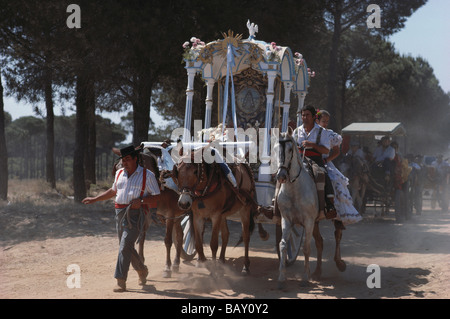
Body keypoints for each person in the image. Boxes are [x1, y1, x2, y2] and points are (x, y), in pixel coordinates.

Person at [82, 145, 161, 292]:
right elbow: (113, 191)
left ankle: (120, 280)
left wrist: (142, 201)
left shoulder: (147, 175)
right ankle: (142, 270)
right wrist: (95, 199)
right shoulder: (119, 173)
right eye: (123, 160)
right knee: (126, 246)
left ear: (135, 159)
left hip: (136, 215)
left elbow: (156, 196)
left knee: (124, 245)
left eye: (127, 159)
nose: (124, 162)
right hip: (119, 213)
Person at [316, 110, 362, 225]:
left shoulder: (330, 134)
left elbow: (336, 152)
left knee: (335, 181)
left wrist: (326, 160)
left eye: (327, 121)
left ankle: (332, 207)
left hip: (324, 162)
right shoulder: (309, 133)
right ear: (317, 120)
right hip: (308, 160)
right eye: (323, 121)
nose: (325, 124)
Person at [295, 105, 337, 219]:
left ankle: (328, 205)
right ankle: (276, 205)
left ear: (314, 117)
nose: (304, 117)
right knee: (284, 173)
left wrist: (312, 145)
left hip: (315, 160)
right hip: (299, 159)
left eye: (307, 115)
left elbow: (326, 150)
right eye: (303, 115)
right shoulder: (296, 131)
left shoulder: (322, 132)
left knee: (321, 174)